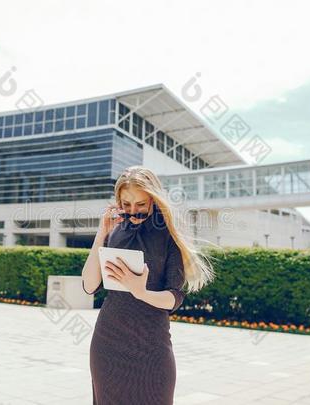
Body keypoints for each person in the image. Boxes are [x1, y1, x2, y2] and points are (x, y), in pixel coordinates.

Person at [81, 166, 216, 405]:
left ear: (154, 199)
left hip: (151, 348)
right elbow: (90, 286)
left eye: (141, 204)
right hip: (108, 344)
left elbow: (175, 298)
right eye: (126, 204)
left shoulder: (169, 234)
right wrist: (100, 234)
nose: (133, 212)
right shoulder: (115, 231)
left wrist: (141, 292)